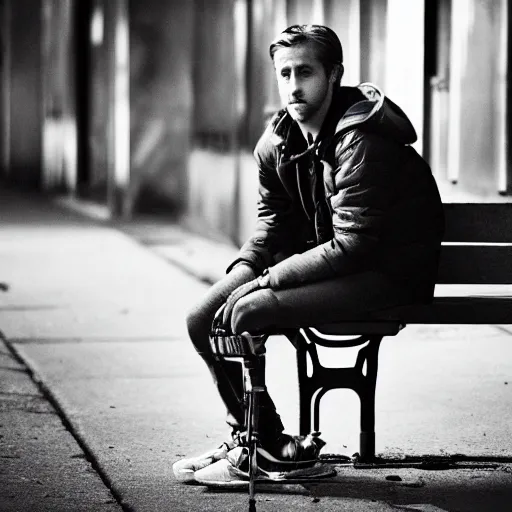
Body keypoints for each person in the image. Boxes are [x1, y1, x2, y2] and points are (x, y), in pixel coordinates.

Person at [173, 24, 444, 485]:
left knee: (249, 310)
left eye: (305, 72)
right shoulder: (277, 143)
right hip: (336, 265)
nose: (293, 86)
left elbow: (356, 244)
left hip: (387, 275)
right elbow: (272, 224)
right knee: (203, 317)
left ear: (334, 74)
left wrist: (264, 283)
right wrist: (244, 271)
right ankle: (261, 440)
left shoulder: (362, 140)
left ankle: (266, 450)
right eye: (284, 74)